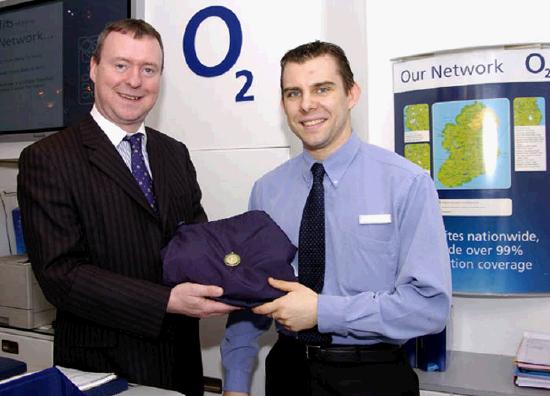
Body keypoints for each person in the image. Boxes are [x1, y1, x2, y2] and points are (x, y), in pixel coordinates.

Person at [17, 19, 237, 396]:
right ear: (93, 68)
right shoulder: (48, 158)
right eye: (121, 65)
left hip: (180, 366)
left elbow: (196, 241)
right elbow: (61, 275)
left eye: (148, 69)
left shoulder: (174, 153)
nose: (134, 81)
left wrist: (240, 273)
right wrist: (166, 300)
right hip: (102, 371)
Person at [221, 41, 451, 396]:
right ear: (283, 104)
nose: (307, 104)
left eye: (322, 89)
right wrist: (236, 382)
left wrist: (322, 311)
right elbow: (249, 296)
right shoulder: (266, 190)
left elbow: (428, 308)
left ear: (352, 93)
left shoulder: (406, 184)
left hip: (374, 375)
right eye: (293, 93)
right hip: (287, 371)